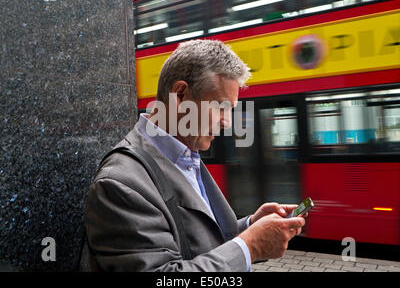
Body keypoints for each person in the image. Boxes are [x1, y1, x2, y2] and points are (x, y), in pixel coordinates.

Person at [84, 39, 306, 271]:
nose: (227, 122)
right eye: (220, 107)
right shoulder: (119, 183)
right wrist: (250, 247)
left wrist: (250, 227)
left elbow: (196, 243)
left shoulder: (185, 155)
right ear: (180, 95)